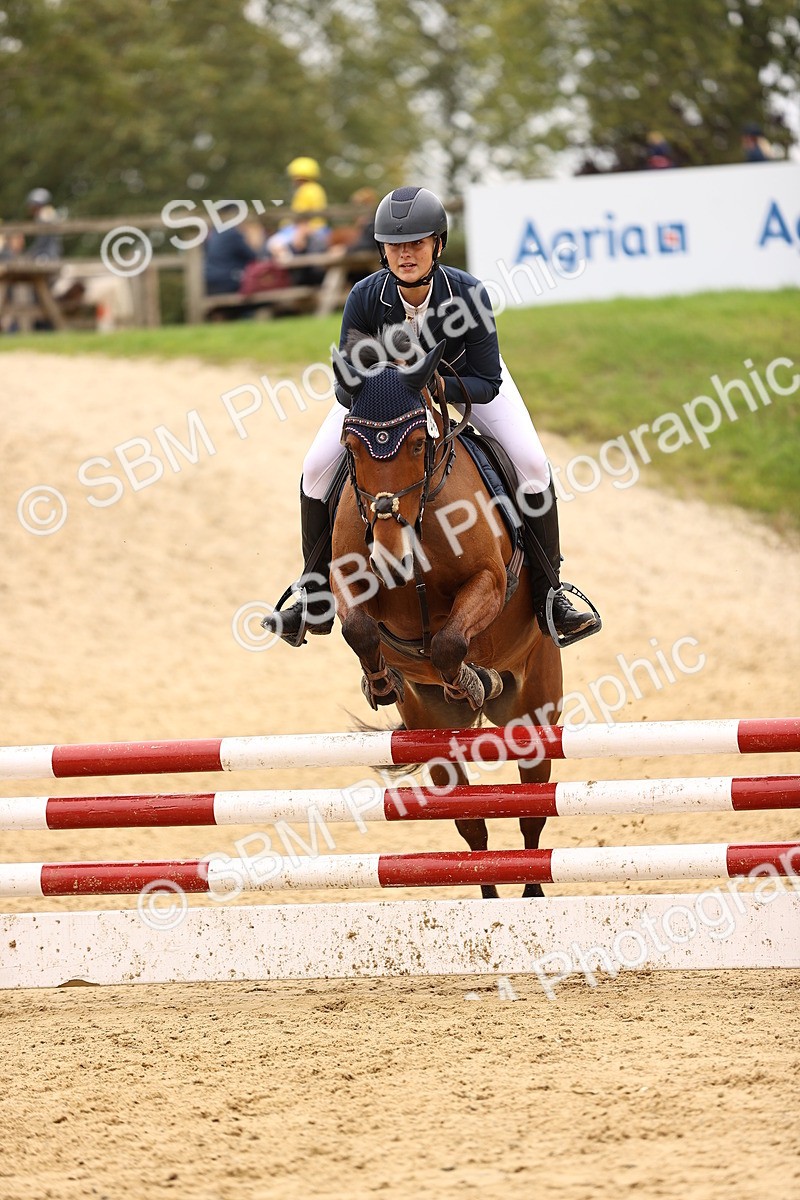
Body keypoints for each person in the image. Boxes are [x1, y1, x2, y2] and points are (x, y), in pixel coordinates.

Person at [263, 185, 601, 648]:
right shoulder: (364, 296)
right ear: (382, 250)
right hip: (383, 397)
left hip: (465, 384)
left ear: (437, 245)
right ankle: (313, 591)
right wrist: (376, 387)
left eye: (416, 243)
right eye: (395, 245)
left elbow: (488, 381)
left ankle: (551, 595)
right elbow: (344, 381)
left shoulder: (467, 294)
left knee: (533, 464)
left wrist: (439, 386)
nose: (405, 254)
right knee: (314, 470)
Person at [204, 201, 259, 295]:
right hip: (227, 282)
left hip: (209, 282)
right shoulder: (232, 233)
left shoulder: (214, 232)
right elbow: (252, 257)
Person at [286, 157, 329, 242]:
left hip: (307, 229)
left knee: (275, 244)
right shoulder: (317, 188)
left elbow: (300, 214)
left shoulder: (304, 190)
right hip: (322, 228)